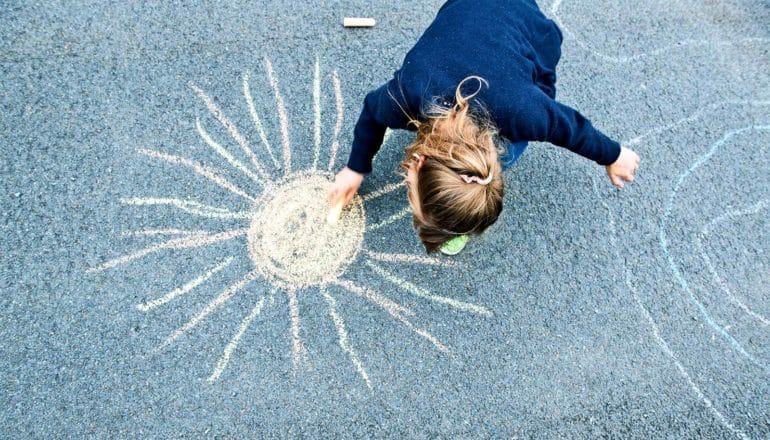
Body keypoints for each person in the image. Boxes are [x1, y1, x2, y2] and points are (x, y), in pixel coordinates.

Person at [327, 0, 640, 254]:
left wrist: (613, 155)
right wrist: (356, 167)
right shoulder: (408, 93)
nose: (408, 190)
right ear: (420, 162)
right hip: (485, 12)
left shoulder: (526, 110)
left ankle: (458, 217)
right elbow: (372, 110)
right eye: (411, 192)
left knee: (511, 144)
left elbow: (570, 128)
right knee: (508, 144)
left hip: (526, 31)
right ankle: (457, 217)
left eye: (412, 195)